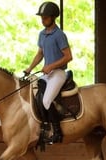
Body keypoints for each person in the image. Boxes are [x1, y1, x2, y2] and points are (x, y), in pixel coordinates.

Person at [24, 1, 73, 143]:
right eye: (41, 17)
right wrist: (30, 68)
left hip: (58, 73)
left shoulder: (59, 35)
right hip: (47, 75)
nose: (42, 20)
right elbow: (40, 54)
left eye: (45, 17)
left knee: (46, 100)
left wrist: (51, 66)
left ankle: (57, 132)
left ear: (53, 17)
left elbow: (68, 56)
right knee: (34, 95)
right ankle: (43, 128)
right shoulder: (42, 34)